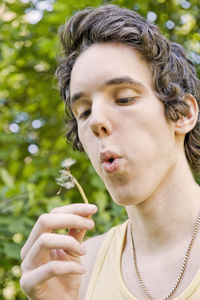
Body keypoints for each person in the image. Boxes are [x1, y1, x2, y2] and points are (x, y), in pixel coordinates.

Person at [20, 4, 200, 300]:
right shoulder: (76, 270)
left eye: (124, 98)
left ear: (182, 114)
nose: (97, 122)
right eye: (85, 111)